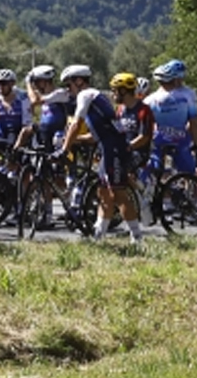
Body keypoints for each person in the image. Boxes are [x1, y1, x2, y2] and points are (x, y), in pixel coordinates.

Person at [60, 65, 144, 244]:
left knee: (118, 194)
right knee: (103, 193)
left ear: (79, 81)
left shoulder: (86, 94)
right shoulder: (96, 98)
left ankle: (137, 238)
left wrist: (65, 149)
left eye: (69, 85)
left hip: (114, 148)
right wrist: (73, 141)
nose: (68, 90)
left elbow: (76, 124)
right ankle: (99, 236)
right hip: (108, 147)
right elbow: (96, 135)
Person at [144, 60, 197, 175]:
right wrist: (196, 142)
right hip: (180, 138)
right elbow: (193, 121)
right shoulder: (189, 94)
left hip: (159, 138)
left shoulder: (150, 99)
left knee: (155, 171)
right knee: (189, 174)